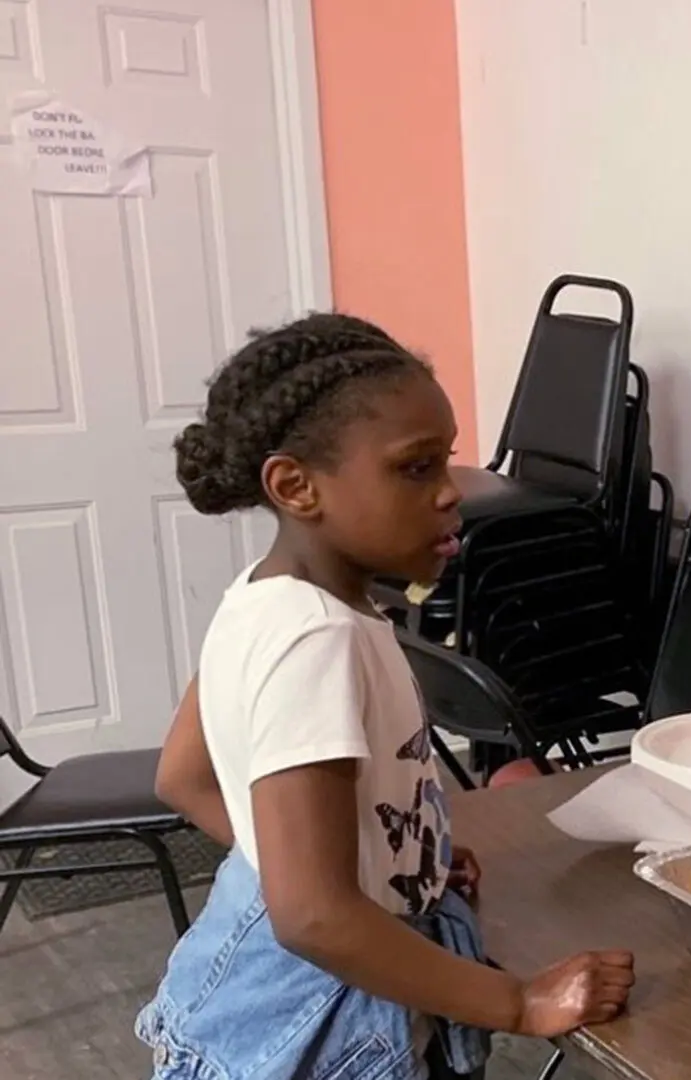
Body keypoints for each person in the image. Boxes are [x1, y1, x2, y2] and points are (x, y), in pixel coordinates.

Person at [136, 314, 636, 1078]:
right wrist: (519, 1003)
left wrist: (392, 858)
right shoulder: (315, 643)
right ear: (296, 485)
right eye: (414, 469)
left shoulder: (264, 597)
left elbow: (185, 776)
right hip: (314, 1012)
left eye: (447, 462)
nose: (450, 494)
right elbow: (312, 915)